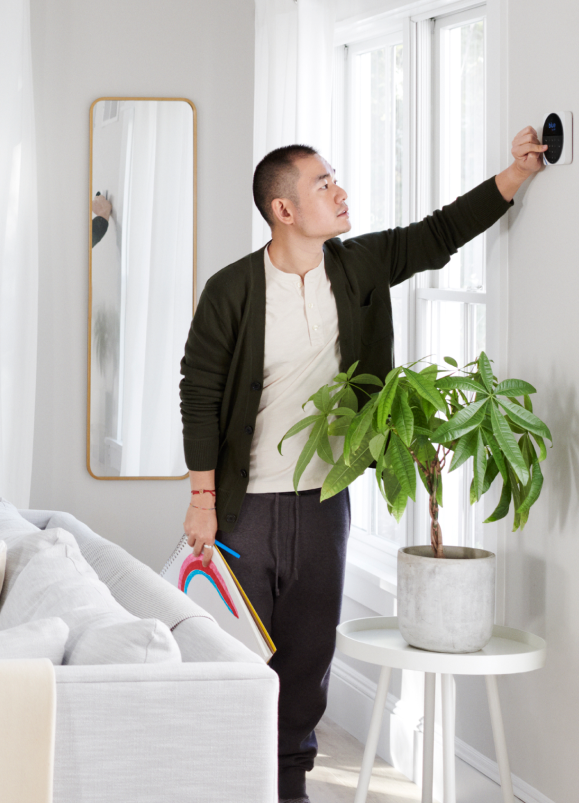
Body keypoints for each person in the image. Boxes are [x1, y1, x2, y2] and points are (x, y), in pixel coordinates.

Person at [179, 127, 546, 803]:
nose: (340, 192)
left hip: (325, 499)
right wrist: (202, 496)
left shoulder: (358, 266)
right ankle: (229, 782)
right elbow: (198, 392)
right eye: (323, 184)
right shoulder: (232, 289)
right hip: (244, 506)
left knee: (308, 657)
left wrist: (517, 175)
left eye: (335, 178)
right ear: (283, 209)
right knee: (238, 658)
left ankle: (289, 787)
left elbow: (439, 234)